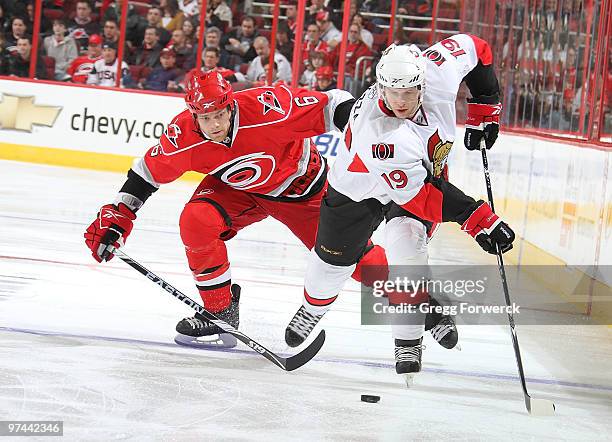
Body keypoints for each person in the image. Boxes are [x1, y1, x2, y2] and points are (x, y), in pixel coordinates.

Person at [83, 70, 386, 341]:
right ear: (193, 115)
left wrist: (369, 136)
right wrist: (121, 213)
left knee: (360, 264)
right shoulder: (183, 136)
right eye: (205, 118)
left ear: (231, 105)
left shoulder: (270, 107)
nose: (214, 125)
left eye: (219, 114)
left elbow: (333, 104)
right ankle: (221, 312)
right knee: (196, 220)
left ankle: (424, 304)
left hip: (302, 192)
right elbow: (146, 173)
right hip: (239, 191)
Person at [284, 35, 514, 385]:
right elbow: (420, 197)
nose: (401, 101)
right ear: (380, 86)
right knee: (331, 263)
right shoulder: (380, 132)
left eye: (409, 92)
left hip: (418, 176)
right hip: (359, 186)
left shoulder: (438, 69)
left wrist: (486, 107)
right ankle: (313, 308)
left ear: (423, 82)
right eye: (393, 92)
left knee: (409, 251)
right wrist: (479, 219)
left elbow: (476, 47)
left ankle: (407, 341)